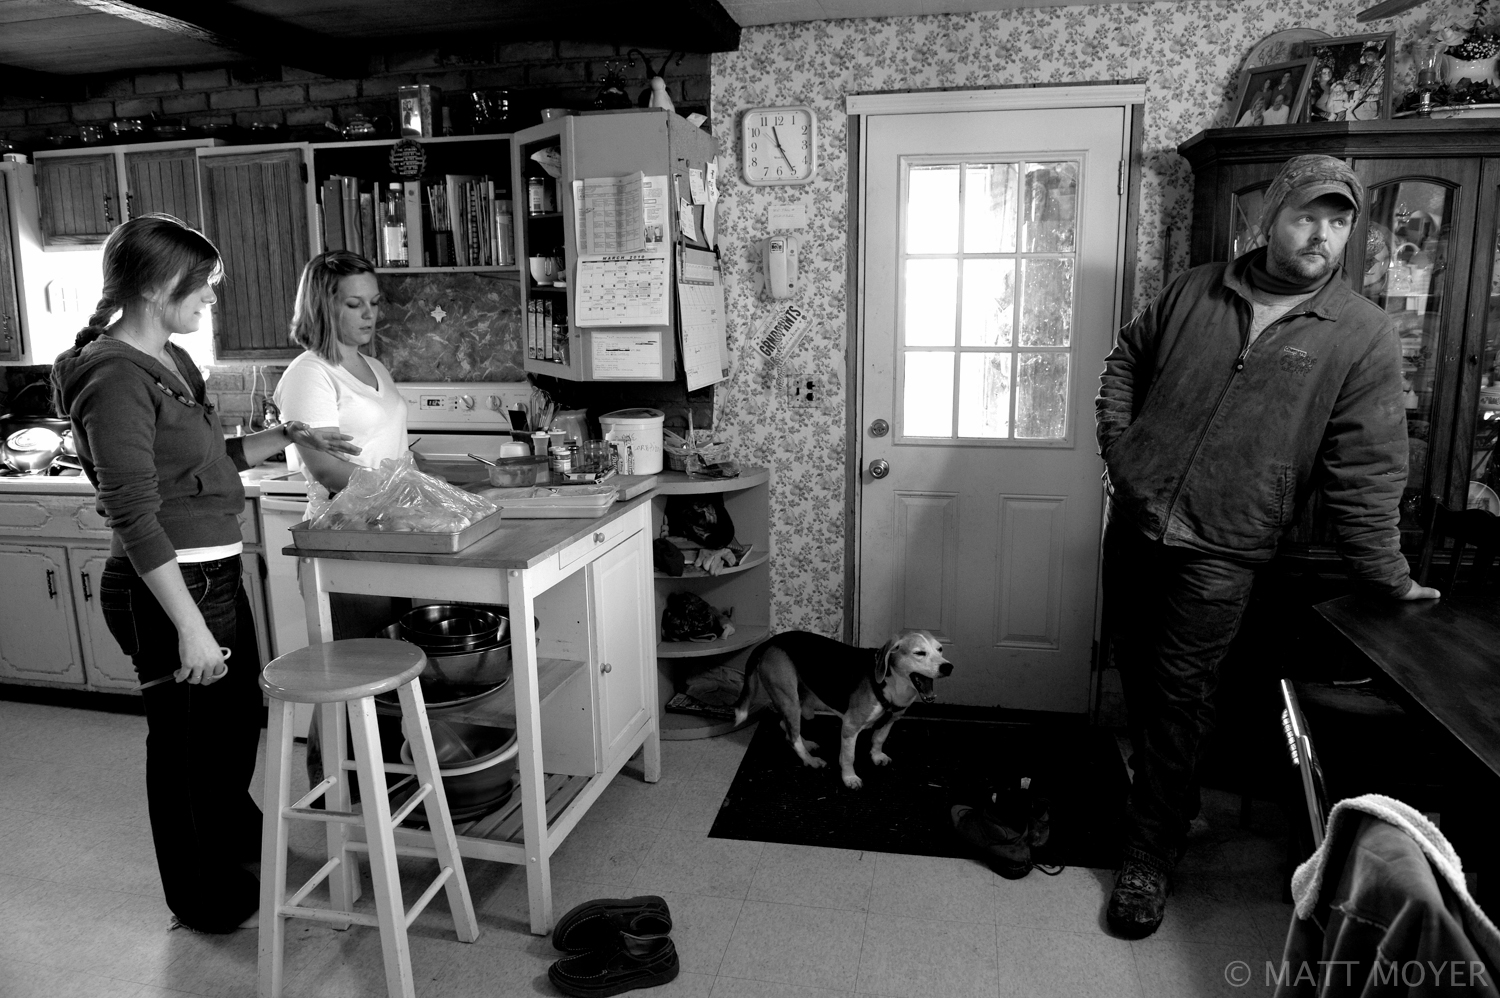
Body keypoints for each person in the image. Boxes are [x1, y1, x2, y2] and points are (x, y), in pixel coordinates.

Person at [1093, 155, 1441, 939]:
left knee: (1182, 692)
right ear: (1270, 217)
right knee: (1140, 674)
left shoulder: (1361, 334)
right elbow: (1125, 362)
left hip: (1226, 546)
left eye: (1339, 220)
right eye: (1306, 215)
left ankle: (1149, 854)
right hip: (1138, 523)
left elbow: (1370, 467)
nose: (1322, 234)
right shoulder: (1195, 290)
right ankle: (1175, 803)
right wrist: (1123, 450)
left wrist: (1386, 575)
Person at [50, 214, 359, 933]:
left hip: (213, 574)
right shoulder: (112, 377)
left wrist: (285, 435)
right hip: (169, 591)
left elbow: (201, 460)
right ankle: (198, 896)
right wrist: (188, 628)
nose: (211, 301)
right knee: (185, 754)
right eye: (203, 289)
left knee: (230, 732)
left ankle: (232, 850)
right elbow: (132, 508)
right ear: (159, 288)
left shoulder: (172, 364)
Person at [273, 249, 406, 496]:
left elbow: (384, 450)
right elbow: (328, 472)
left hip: (389, 519)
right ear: (322, 307)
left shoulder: (375, 367)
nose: (370, 314)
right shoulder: (309, 374)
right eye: (355, 304)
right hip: (343, 524)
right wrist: (404, 488)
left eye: (374, 302)